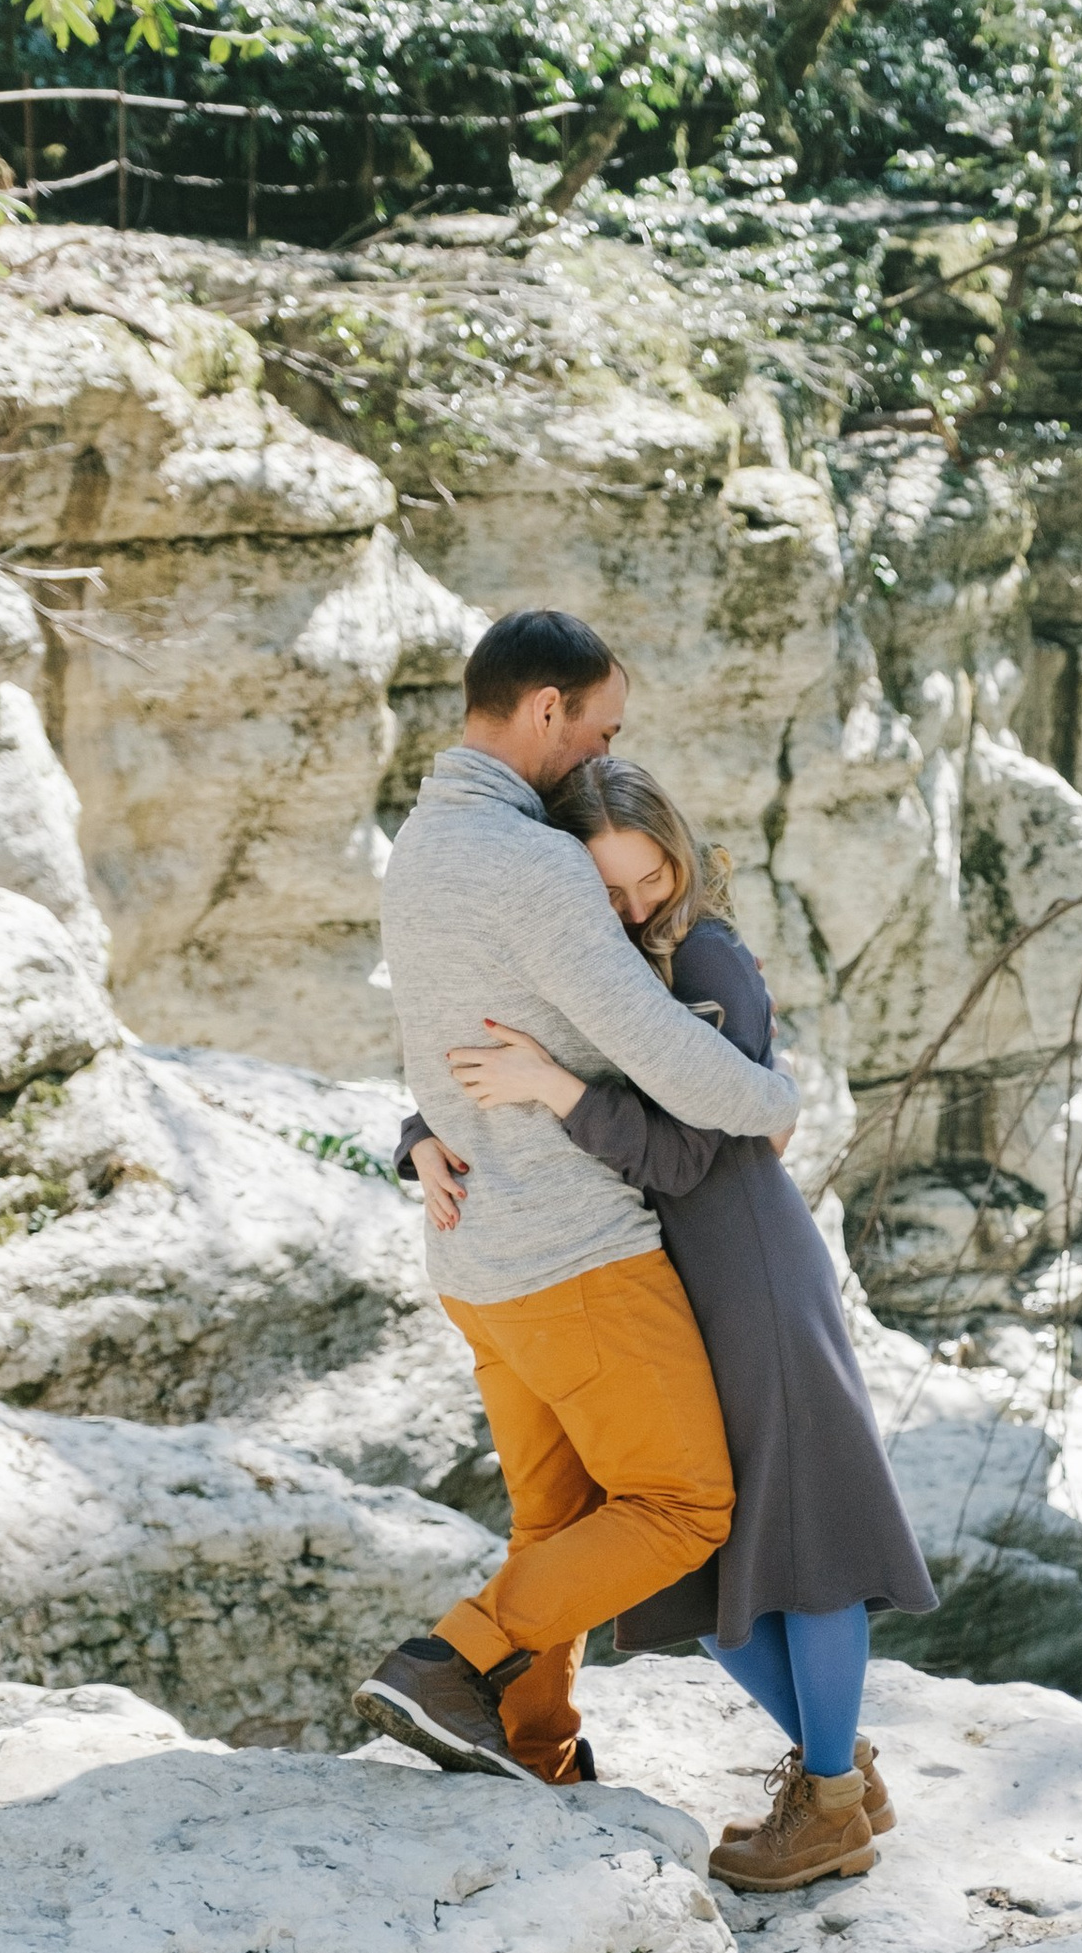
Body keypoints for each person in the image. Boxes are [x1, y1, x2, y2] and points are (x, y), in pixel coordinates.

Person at [400, 754, 937, 1894]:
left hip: (745, 1268)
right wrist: (418, 1129)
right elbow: (486, 1033)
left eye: (652, 876)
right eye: (610, 886)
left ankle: (830, 1797)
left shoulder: (704, 956)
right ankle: (841, 1774)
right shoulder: (591, 951)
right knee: (711, 1574)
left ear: (678, 854)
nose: (637, 902)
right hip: (660, 1279)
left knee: (808, 1545)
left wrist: (553, 1093)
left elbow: (698, 1146)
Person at [355, 612, 800, 1787]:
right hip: (576, 1255)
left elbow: (430, 1035)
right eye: (599, 727)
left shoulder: (422, 846)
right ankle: (454, 1656)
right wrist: (773, 1096)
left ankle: (530, 1745)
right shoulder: (536, 861)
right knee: (681, 1504)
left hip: (478, 1268)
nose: (603, 753)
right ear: (545, 710)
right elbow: (659, 1048)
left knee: (556, 1525)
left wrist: (423, 1139)